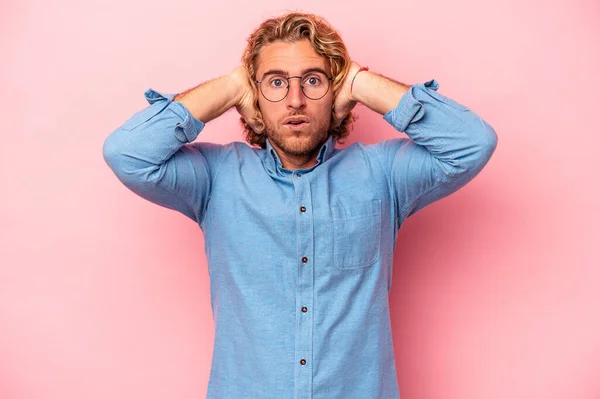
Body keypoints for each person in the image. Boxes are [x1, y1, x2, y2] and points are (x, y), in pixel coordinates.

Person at [102, 11, 497, 399]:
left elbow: (472, 142)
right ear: (254, 97)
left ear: (336, 92)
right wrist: (231, 85)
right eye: (275, 82)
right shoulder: (216, 176)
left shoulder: (384, 174)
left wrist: (360, 81)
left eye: (313, 80)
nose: (295, 100)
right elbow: (127, 153)